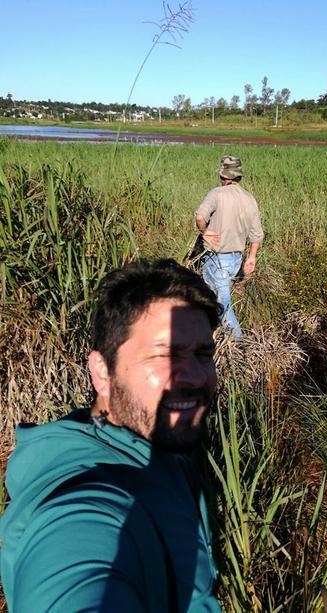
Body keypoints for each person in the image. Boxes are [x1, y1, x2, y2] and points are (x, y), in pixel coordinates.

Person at [0, 259, 222, 612]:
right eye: (166, 355)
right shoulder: (80, 507)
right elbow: (77, 565)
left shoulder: (155, 445)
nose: (196, 377)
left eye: (203, 354)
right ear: (102, 372)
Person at [195, 155, 264, 338]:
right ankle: (212, 339)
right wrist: (252, 257)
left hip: (217, 260)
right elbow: (256, 234)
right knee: (214, 302)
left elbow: (200, 216)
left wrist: (205, 232)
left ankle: (240, 346)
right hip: (235, 261)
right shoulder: (249, 198)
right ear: (238, 177)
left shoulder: (216, 193)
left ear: (223, 176)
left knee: (222, 306)